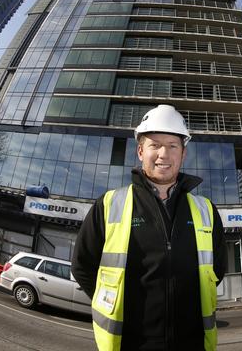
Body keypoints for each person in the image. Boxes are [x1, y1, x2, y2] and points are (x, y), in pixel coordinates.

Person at [72, 104, 226, 351]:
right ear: (141, 151)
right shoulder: (110, 204)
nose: (164, 154)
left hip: (192, 343)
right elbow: (83, 266)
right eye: (155, 145)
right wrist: (116, 305)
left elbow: (217, 270)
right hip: (130, 344)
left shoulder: (206, 210)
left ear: (183, 154)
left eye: (173, 146)